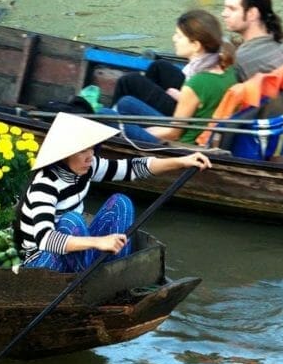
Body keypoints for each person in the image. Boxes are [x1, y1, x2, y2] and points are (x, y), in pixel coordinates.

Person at [15, 112, 211, 272]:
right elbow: (46, 239)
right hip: (42, 261)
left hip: (74, 252)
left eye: (92, 149)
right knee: (71, 221)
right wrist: (98, 242)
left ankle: (113, 273)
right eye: (82, 151)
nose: (89, 156)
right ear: (65, 155)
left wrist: (181, 161)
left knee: (121, 202)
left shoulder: (88, 168)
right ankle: (91, 277)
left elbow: (132, 168)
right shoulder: (45, 184)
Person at [101, 10, 237, 144]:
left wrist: (139, 131)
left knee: (104, 115)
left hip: (180, 143)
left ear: (196, 45)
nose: (174, 39)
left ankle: (117, 141)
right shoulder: (227, 70)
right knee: (126, 102)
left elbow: (173, 133)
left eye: (179, 36)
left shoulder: (197, 83)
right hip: (189, 129)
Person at [221, 0, 283, 81]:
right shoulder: (280, 46)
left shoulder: (240, 61)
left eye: (232, 9)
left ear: (252, 13)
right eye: (225, 7)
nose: (224, 14)